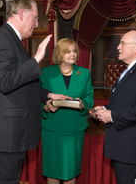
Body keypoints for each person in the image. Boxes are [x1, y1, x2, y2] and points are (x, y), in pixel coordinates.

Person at [0, 0, 70, 184]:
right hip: (2, 136)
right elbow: (5, 81)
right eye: (34, 18)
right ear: (21, 14)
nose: (36, 23)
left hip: (12, 134)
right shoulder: (0, 37)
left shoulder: (14, 40)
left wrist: (48, 95)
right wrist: (35, 60)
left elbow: (22, 85)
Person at [90, 30, 136, 184]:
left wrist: (112, 116)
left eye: (122, 43)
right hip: (125, 149)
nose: (118, 47)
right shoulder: (131, 69)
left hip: (133, 150)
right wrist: (105, 108)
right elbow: (126, 102)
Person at [40, 38, 94, 184]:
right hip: (52, 127)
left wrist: (83, 104)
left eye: (74, 51)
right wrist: (45, 107)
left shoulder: (84, 73)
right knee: (53, 168)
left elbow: (90, 97)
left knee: (71, 170)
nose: (73, 54)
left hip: (74, 128)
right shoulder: (46, 72)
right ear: (59, 54)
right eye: (68, 51)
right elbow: (36, 97)